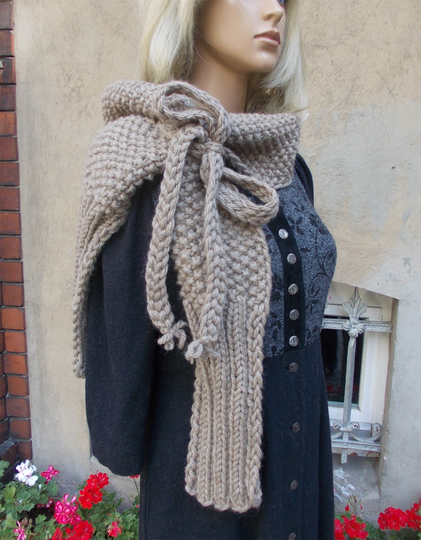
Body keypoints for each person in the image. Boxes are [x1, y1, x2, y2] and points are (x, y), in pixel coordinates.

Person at [72, 0, 337, 538]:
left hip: (301, 471)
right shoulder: (140, 166)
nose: (274, 11)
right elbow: (117, 330)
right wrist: (118, 431)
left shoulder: (287, 165)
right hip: (200, 500)